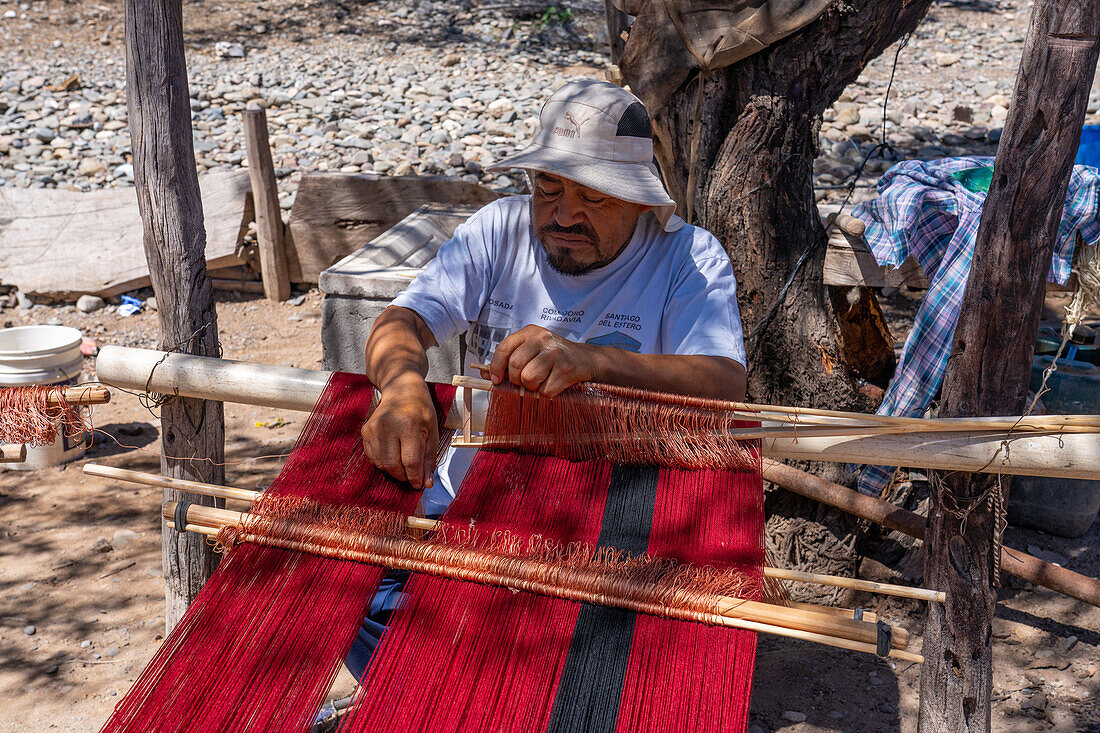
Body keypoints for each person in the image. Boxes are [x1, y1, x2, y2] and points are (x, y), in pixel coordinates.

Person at [345, 78, 748, 678]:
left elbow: (723, 382)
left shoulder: (686, 258)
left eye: (595, 198)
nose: (563, 215)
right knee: (344, 593)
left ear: (639, 200)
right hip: (471, 508)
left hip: (607, 528)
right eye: (549, 188)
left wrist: (593, 360)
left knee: (624, 661)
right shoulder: (499, 230)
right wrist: (402, 385)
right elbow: (401, 321)